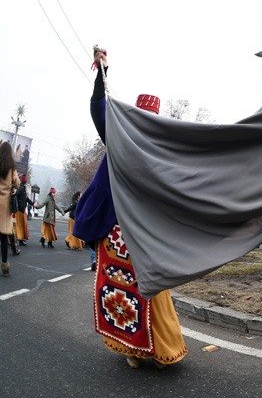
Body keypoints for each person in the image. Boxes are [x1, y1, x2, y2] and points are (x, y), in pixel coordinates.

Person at [73, 49, 187, 370]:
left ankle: (163, 348)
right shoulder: (118, 138)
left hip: (144, 232)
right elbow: (98, 107)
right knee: (118, 287)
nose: (144, 125)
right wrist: (102, 72)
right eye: (140, 119)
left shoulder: (163, 153)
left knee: (152, 289)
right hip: (114, 228)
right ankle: (131, 350)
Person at [0, 142, 20, 276]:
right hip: (5, 203)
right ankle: (5, 268)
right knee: (3, 237)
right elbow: (17, 183)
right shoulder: (11, 166)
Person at [14, 174, 33, 245]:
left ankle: (21, 239)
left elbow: (26, 198)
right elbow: (17, 195)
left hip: (21, 209)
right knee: (20, 225)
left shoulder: (22, 188)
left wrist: (32, 203)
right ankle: (19, 238)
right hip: (20, 209)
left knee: (21, 225)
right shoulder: (21, 188)